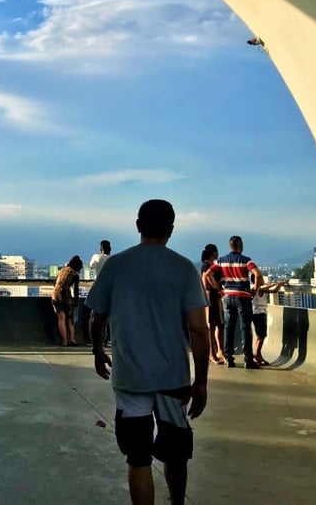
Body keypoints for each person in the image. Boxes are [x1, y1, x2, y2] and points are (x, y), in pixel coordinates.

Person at [86, 200, 209, 505]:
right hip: (173, 379)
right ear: (171, 229)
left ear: (138, 225)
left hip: (130, 379)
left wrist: (98, 350)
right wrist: (202, 381)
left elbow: (96, 317)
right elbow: (199, 329)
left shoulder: (116, 265)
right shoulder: (184, 268)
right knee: (176, 454)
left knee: (138, 458)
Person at [210, 235, 263, 369]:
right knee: (245, 327)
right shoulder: (246, 260)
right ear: (240, 245)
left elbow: (207, 274)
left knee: (229, 327)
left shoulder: (221, 261)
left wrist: (219, 288)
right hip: (243, 297)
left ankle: (229, 358)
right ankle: (248, 359)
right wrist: (254, 289)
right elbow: (257, 274)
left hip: (227, 297)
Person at [199, 244, 226, 365]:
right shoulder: (206, 266)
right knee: (211, 325)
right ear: (213, 253)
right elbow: (206, 278)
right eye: (217, 251)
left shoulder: (212, 266)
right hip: (210, 296)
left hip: (215, 297)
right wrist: (216, 287)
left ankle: (220, 351)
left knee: (220, 324)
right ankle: (212, 353)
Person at [251, 279, 288, 366]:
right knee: (262, 335)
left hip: (255, 313)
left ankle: (258, 355)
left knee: (259, 336)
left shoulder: (254, 288)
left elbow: (266, 287)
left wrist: (274, 283)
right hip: (260, 314)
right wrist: (279, 285)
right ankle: (257, 354)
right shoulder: (260, 289)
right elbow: (274, 291)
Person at [85, 240, 112, 346]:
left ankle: (94, 341)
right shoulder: (112, 259)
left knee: (95, 316)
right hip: (109, 289)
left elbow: (91, 265)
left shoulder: (96, 257)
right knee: (108, 317)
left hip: (97, 287)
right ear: (110, 249)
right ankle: (106, 339)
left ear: (100, 249)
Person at [51, 256, 83, 347]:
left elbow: (54, 283)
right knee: (70, 318)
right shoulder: (75, 274)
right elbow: (76, 290)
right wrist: (76, 302)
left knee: (61, 319)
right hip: (66, 296)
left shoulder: (62, 270)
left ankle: (64, 342)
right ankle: (72, 339)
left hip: (56, 295)